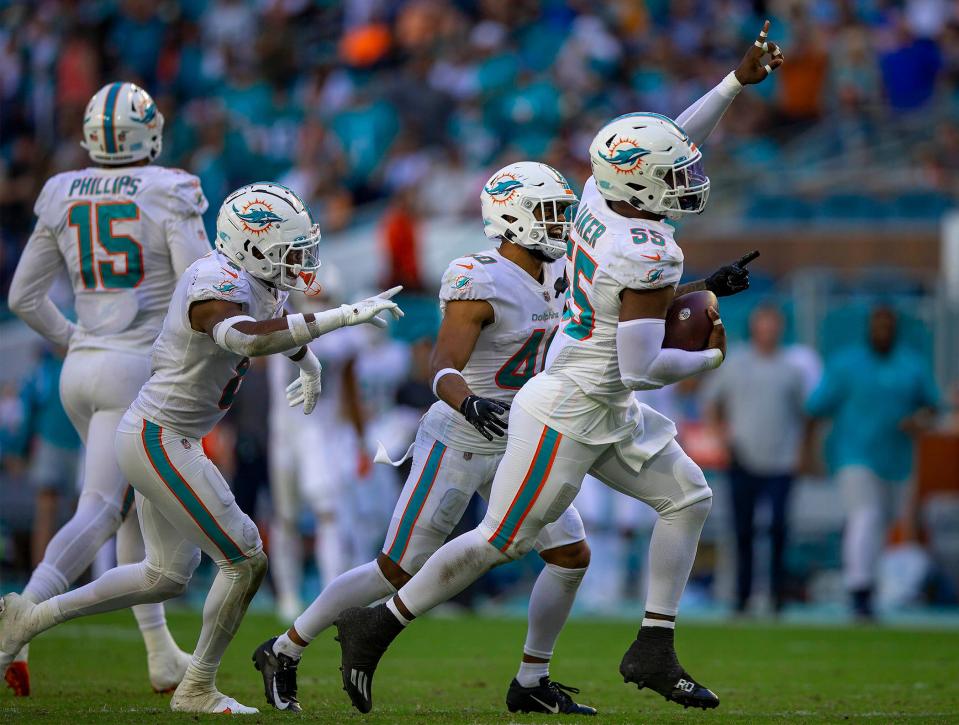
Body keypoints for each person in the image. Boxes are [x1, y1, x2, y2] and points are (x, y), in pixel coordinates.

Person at [332, 21, 783, 715]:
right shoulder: (646, 250)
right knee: (497, 541)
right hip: (572, 402)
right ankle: (378, 620)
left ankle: (653, 645)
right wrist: (705, 353)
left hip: (600, 398)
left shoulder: (601, 194)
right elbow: (638, 367)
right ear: (641, 183)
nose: (687, 177)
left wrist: (730, 83)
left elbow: (668, 138)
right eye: (674, 174)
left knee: (687, 497)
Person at [0, 182, 404, 714]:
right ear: (253, 245)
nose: (301, 262)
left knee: (164, 576)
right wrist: (340, 317)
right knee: (245, 559)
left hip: (163, 436)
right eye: (290, 250)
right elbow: (246, 337)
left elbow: (274, 317)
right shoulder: (213, 280)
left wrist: (308, 362)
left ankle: (30, 617)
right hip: (158, 436)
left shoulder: (255, 276)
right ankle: (197, 686)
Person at [254, 161, 598, 715]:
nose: (561, 224)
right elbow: (441, 365)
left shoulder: (561, 272)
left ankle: (532, 679)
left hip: (523, 437)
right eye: (549, 213)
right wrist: (470, 400)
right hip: (461, 434)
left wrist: (698, 290)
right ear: (512, 218)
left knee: (570, 553)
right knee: (394, 570)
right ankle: (284, 648)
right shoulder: (480, 276)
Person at [3, 81, 210, 696]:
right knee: (99, 507)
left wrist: (72, 339)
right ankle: (19, 623)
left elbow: (21, 297)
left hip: (81, 368)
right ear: (150, 130)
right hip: (135, 370)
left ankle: (159, 654)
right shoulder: (169, 188)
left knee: (126, 504)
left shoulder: (61, 189)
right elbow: (199, 284)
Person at [806, 305, 940, 619]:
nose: (883, 331)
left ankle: (870, 588)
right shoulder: (847, 364)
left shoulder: (912, 365)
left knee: (885, 522)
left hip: (897, 459)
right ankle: (859, 589)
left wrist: (919, 420)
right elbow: (816, 408)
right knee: (864, 516)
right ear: (869, 328)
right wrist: (808, 454)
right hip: (855, 455)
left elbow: (932, 407)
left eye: (888, 326)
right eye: (877, 325)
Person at [266, 265, 369, 622]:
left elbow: (352, 392)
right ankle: (289, 596)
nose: (320, 303)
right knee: (286, 517)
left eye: (326, 298)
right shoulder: (283, 323)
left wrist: (360, 440)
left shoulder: (342, 339)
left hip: (319, 435)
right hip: (283, 434)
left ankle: (330, 591)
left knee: (327, 511)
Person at [704, 304, 809, 614]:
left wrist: (803, 452)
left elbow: (804, 414)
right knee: (743, 531)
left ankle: (777, 596)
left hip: (781, 460)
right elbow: (711, 402)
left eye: (773, 324)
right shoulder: (736, 363)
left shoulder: (791, 369)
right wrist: (722, 440)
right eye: (763, 324)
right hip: (743, 457)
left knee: (778, 528)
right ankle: (743, 597)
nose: (768, 331)